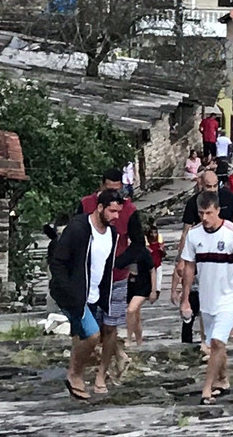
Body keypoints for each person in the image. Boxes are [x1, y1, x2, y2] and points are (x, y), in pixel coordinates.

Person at [48, 189, 124, 401]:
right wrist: (70, 291)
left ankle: (74, 378)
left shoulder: (112, 234)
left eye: (118, 211)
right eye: (112, 211)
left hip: (93, 295)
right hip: (72, 294)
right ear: (100, 208)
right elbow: (58, 261)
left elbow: (106, 267)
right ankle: (75, 375)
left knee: (81, 336)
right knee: (92, 335)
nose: (116, 216)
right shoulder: (79, 228)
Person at [180, 191, 233, 405]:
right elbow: (189, 267)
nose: (205, 218)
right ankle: (223, 379)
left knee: (216, 342)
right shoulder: (194, 235)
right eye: (201, 213)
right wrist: (185, 298)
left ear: (218, 211)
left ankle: (207, 388)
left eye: (209, 213)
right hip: (207, 297)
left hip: (230, 296)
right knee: (215, 343)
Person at [77, 169, 146, 393]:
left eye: (118, 190)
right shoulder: (86, 205)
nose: (114, 194)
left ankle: (102, 374)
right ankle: (79, 369)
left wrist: (119, 262)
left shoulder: (130, 211)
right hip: (89, 279)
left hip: (117, 278)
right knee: (87, 328)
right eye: (110, 190)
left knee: (110, 326)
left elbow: (138, 243)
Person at [127, 222, 161, 346]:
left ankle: (129, 339)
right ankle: (139, 342)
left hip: (143, 286)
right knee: (135, 315)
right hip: (131, 285)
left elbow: (153, 271)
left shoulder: (144, 252)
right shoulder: (125, 252)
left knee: (131, 310)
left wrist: (153, 291)